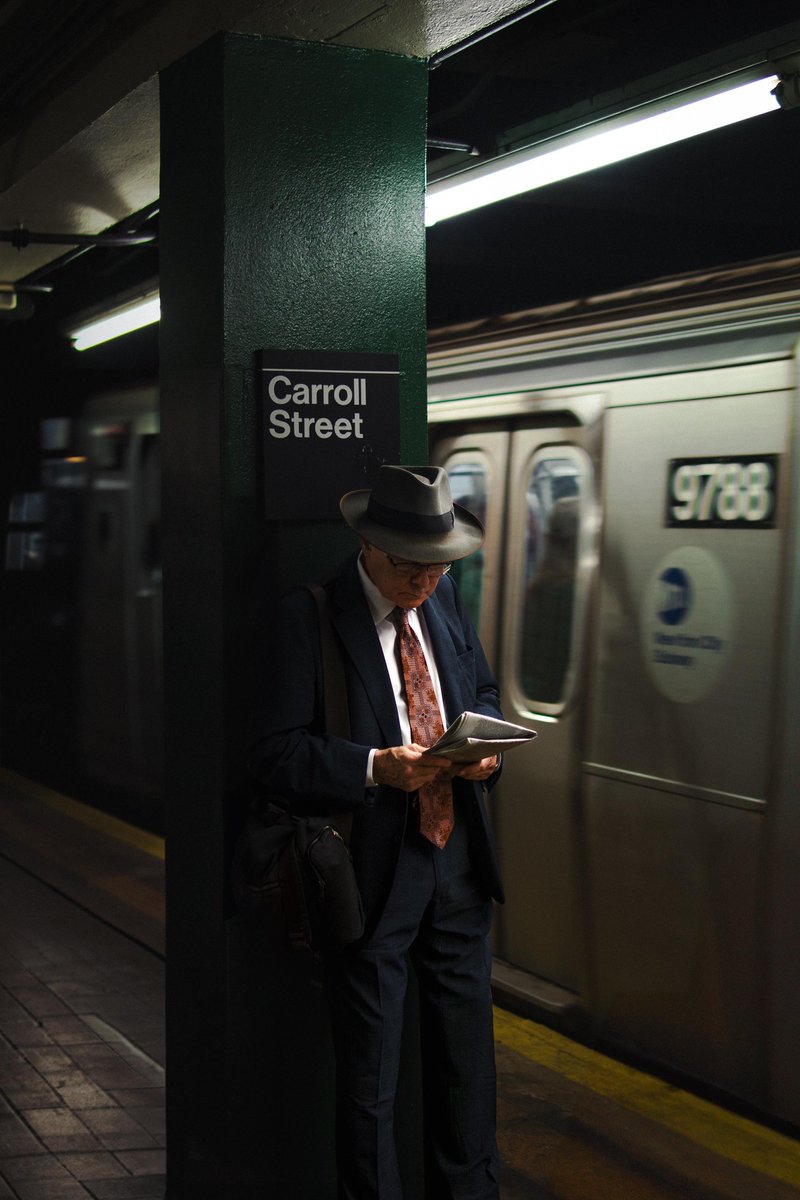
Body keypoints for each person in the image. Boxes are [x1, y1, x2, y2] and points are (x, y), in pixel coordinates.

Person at [249, 464, 505, 1200]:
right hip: (368, 875)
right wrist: (372, 767)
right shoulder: (312, 615)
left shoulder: (445, 599)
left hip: (456, 861)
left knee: (468, 1070)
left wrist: (482, 749)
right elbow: (273, 751)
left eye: (437, 565)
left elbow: (480, 689)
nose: (423, 581)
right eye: (407, 566)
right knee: (370, 1080)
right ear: (367, 545)